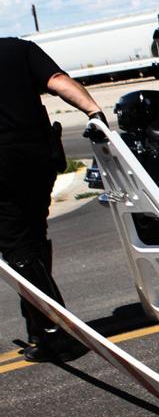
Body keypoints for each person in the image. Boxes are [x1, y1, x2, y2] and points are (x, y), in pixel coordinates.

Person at [1, 37, 105, 363]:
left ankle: (57, 332)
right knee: (33, 239)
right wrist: (95, 111)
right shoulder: (19, 50)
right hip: (36, 160)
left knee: (19, 248)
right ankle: (39, 329)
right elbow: (58, 82)